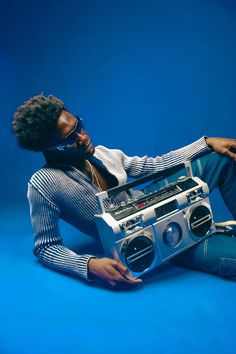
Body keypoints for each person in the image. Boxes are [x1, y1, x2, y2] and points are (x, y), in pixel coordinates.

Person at [12, 94, 236, 288]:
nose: (82, 137)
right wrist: (89, 265)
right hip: (146, 238)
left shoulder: (102, 153)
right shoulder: (43, 183)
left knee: (220, 157)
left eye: (78, 126)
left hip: (150, 199)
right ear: (49, 149)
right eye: (69, 139)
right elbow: (46, 247)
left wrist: (205, 143)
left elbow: (153, 165)